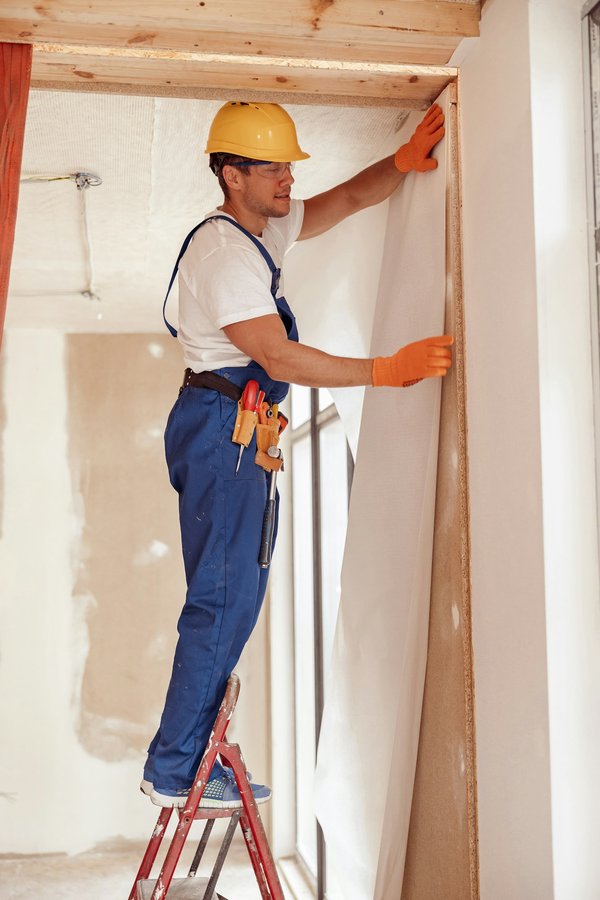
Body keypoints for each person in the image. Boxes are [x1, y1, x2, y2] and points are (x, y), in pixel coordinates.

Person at [141, 100, 452, 809]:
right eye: (273, 167)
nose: (287, 178)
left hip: (237, 426)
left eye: (287, 165)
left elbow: (342, 200)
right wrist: (385, 369)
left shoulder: (263, 227)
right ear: (231, 174)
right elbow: (275, 353)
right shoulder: (222, 254)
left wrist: (399, 165)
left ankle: (185, 759)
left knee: (234, 598)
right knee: (222, 601)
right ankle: (175, 768)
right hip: (223, 425)